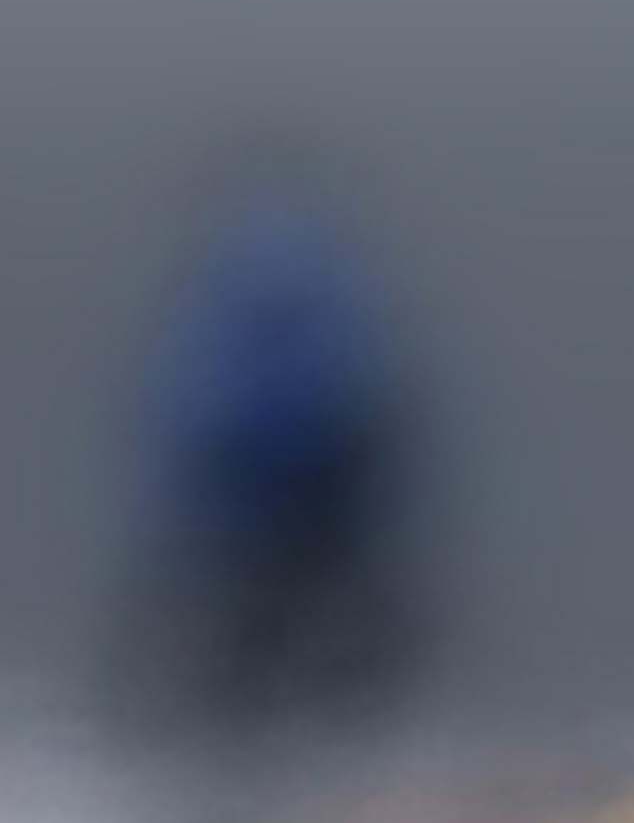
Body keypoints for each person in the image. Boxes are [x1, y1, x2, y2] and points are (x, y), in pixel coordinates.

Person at [129, 175, 421, 736]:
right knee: (339, 642)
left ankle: (231, 735)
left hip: (244, 520)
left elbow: (183, 420)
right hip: (321, 511)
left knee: (244, 648)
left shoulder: (218, 303)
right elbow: (373, 410)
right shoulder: (331, 296)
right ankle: (343, 732)